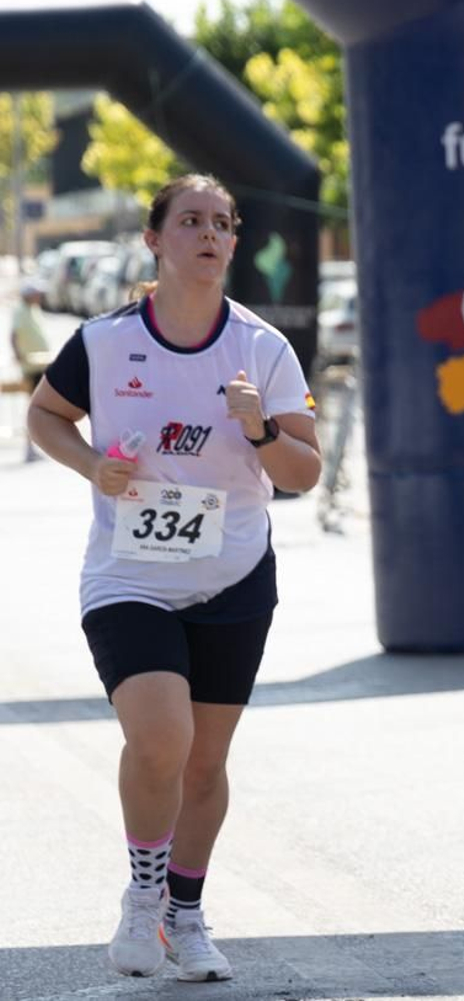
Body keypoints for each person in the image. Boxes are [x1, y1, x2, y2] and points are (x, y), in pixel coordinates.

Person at [26, 174, 321, 982]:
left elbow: (305, 472)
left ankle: (186, 917)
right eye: (190, 221)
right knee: (162, 738)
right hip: (132, 574)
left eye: (222, 224)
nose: (210, 235)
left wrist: (258, 426)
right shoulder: (105, 340)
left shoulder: (262, 348)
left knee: (204, 763)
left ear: (232, 242)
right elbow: (44, 415)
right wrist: (94, 466)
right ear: (154, 239)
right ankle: (142, 896)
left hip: (233, 574)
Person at [10, 282, 50, 461]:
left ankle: (34, 446)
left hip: (40, 364)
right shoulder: (21, 311)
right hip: (31, 366)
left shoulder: (33, 310)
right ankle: (30, 447)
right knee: (37, 408)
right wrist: (18, 355)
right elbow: (14, 335)